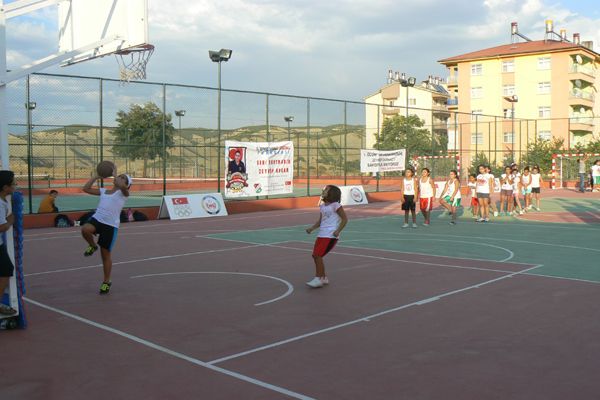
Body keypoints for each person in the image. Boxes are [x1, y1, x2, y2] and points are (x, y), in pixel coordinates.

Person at [81, 168, 131, 294]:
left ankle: (106, 281)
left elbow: (121, 186)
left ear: (127, 185)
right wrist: (95, 177)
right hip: (97, 219)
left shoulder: (124, 194)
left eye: (123, 178)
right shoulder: (104, 191)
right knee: (85, 229)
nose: (120, 178)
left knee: (105, 255)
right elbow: (85, 189)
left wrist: (115, 175)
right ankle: (92, 245)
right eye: (120, 176)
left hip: (110, 225)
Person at [305, 185, 348, 288]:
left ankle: (318, 278)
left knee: (317, 255)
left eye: (326, 190)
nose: (323, 191)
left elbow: (345, 219)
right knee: (315, 255)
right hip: (322, 234)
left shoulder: (336, 205)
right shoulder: (322, 206)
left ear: (332, 193)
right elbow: (320, 221)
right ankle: (323, 278)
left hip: (330, 235)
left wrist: (338, 230)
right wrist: (312, 228)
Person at [0, 171, 17, 315]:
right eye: (13, 184)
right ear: (5, 187)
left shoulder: (4, 200)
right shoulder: (0, 204)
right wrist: (10, 220)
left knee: (6, 269)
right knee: (6, 269)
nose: (15, 185)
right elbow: (1, 227)